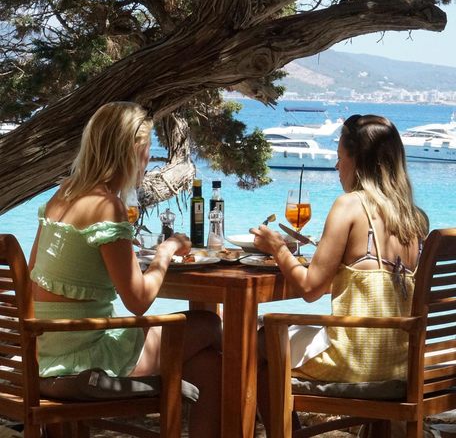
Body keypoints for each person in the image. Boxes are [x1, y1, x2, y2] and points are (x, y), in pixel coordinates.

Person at [28, 101, 221, 437]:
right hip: (83, 359)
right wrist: (166, 250)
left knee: (207, 364)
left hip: (41, 354)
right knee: (209, 324)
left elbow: (35, 277)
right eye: (147, 150)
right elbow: (139, 301)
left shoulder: (61, 196)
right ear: (132, 151)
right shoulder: (107, 205)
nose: (148, 160)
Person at [250, 114, 429, 434]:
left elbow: (309, 289)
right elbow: (376, 284)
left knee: (257, 341)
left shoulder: (349, 205)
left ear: (357, 160)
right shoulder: (414, 218)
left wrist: (278, 248)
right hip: (402, 363)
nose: (336, 166)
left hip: (356, 360)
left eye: (339, 157)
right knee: (272, 338)